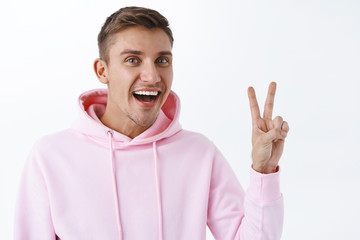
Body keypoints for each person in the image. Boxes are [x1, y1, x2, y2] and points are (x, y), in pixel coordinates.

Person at [14, 6, 289, 240]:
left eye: (162, 60)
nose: (152, 75)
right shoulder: (50, 156)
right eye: (133, 60)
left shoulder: (199, 153)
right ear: (102, 70)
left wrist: (264, 172)